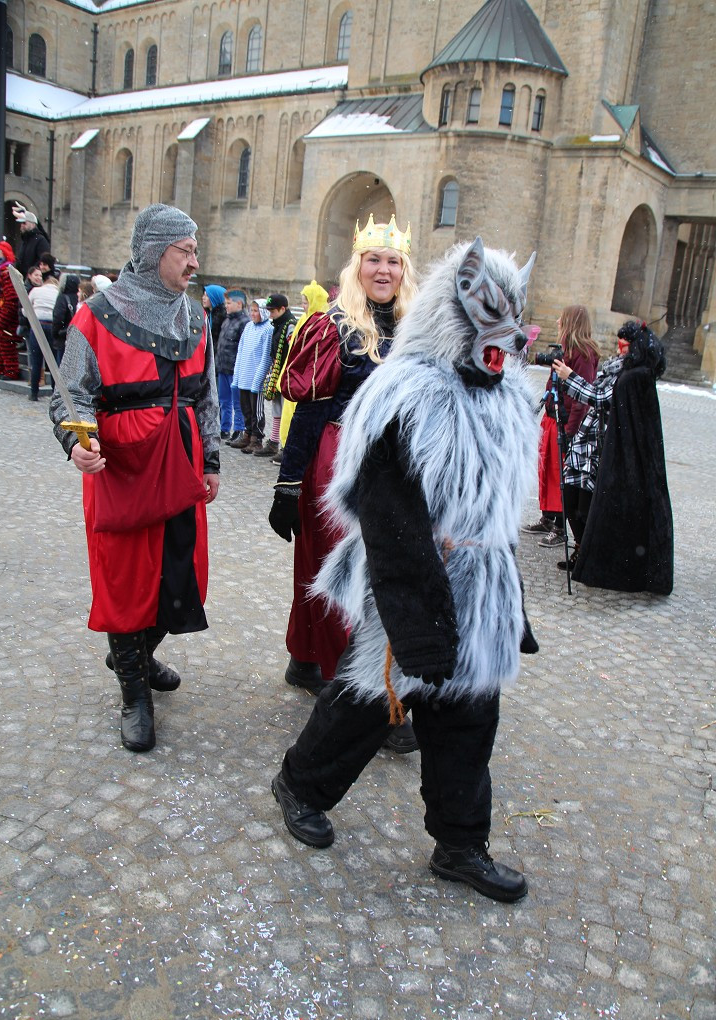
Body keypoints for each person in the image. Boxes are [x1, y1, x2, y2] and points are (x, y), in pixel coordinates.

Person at [271, 235, 538, 903]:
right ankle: (300, 784)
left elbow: (498, 506)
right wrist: (417, 609)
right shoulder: (409, 390)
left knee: (471, 714)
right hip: (412, 574)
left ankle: (460, 843)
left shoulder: (507, 393)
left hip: (480, 586)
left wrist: (505, 591)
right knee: (370, 699)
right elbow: (386, 506)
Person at [49, 203, 220, 752]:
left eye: (195, 250)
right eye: (184, 251)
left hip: (182, 460)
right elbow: (71, 393)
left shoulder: (195, 315)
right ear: (152, 253)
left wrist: (211, 460)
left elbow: (205, 393)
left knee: (181, 575)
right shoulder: (96, 316)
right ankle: (134, 692)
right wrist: (78, 441)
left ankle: (136, 655)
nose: (195, 261)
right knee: (124, 580)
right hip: (121, 465)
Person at [268, 214, 419, 753]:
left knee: (365, 572)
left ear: (405, 268)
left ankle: (305, 658)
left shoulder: (414, 325)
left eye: (393, 260)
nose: (383, 269)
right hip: (335, 460)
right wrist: (288, 484)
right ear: (357, 265)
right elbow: (307, 411)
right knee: (337, 569)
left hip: (390, 464)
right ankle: (359, 693)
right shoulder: (330, 324)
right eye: (373, 260)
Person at [553, 320, 673, 594]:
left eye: (625, 346)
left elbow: (600, 397)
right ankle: (584, 549)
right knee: (571, 501)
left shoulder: (632, 376)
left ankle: (588, 553)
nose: (619, 351)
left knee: (585, 506)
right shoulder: (618, 369)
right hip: (587, 444)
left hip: (602, 449)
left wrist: (570, 377)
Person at [522, 305, 599, 547]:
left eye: (561, 319)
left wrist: (571, 430)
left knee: (560, 477)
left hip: (565, 421)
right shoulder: (567, 351)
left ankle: (560, 526)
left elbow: (581, 397)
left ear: (572, 322)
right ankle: (548, 517)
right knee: (547, 471)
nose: (557, 322)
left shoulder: (583, 354)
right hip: (553, 416)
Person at [277, 280, 329, 454]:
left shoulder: (323, 322)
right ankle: (287, 446)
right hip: (295, 373)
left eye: (306, 302)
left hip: (308, 377)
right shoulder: (302, 320)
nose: (303, 306)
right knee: (289, 413)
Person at [256, 293, 297, 459]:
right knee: (276, 408)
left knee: (285, 410)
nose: (270, 314)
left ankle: (284, 446)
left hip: (285, 373)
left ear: (283, 309)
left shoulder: (290, 325)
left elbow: (292, 349)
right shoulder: (278, 324)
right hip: (277, 371)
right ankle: (273, 441)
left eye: (273, 311)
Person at [229, 299, 273, 452]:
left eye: (256, 311)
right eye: (251, 310)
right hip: (244, 376)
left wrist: (258, 380)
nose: (253, 314)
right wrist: (237, 375)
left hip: (256, 378)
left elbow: (266, 357)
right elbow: (240, 351)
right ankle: (247, 433)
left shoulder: (268, 329)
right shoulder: (248, 327)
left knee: (256, 411)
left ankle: (257, 437)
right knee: (246, 408)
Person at [214, 289, 249, 441]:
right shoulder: (227, 320)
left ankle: (239, 429)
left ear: (239, 303)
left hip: (234, 369)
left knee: (237, 402)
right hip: (222, 367)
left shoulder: (244, 322)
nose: (226, 306)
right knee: (224, 400)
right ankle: (224, 427)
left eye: (229, 303)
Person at [26, 261, 60, 400]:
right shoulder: (57, 293)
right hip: (51, 325)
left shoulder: (36, 291)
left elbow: (25, 309)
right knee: (52, 361)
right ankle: (54, 392)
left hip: (38, 324)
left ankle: (34, 393)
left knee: (36, 360)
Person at [0, 241, 21, 380]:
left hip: (6, 319)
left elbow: (11, 300)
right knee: (0, 346)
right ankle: (1, 369)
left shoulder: (8, 274)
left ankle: (11, 371)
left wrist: (1, 320)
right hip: (0, 314)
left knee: (7, 345)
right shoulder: (0, 272)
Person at [12, 201, 50, 277]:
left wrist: (31, 274)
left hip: (33, 280)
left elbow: (42, 261)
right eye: (21, 223)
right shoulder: (26, 240)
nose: (22, 225)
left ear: (33, 224)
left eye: (24, 223)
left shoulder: (40, 240)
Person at [51, 273, 80, 357]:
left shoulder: (62, 297)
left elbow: (58, 317)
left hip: (63, 336)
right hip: (74, 336)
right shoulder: (79, 298)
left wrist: (55, 332)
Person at [202, 284, 226, 353]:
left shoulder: (223, 317)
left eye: (207, 296)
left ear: (214, 297)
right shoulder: (207, 314)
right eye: (204, 295)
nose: (203, 298)